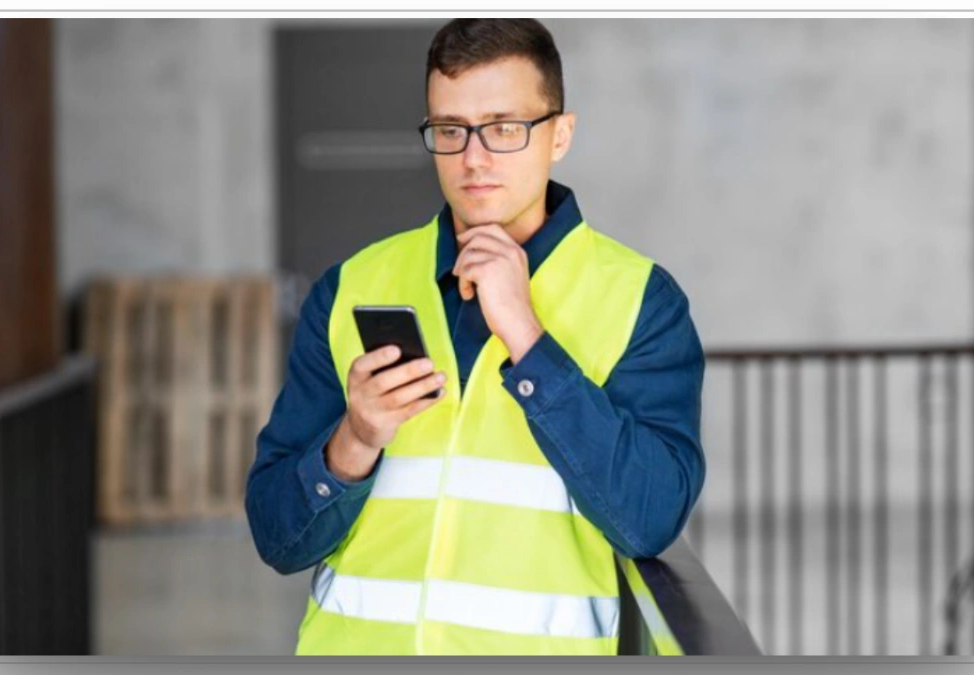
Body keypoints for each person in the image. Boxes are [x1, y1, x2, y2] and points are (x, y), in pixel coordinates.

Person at [245, 18, 705, 656]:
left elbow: (648, 519)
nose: (474, 158)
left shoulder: (641, 301)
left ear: (560, 135)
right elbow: (276, 536)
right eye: (450, 130)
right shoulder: (351, 285)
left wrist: (526, 334)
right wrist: (354, 441)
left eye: (505, 127)